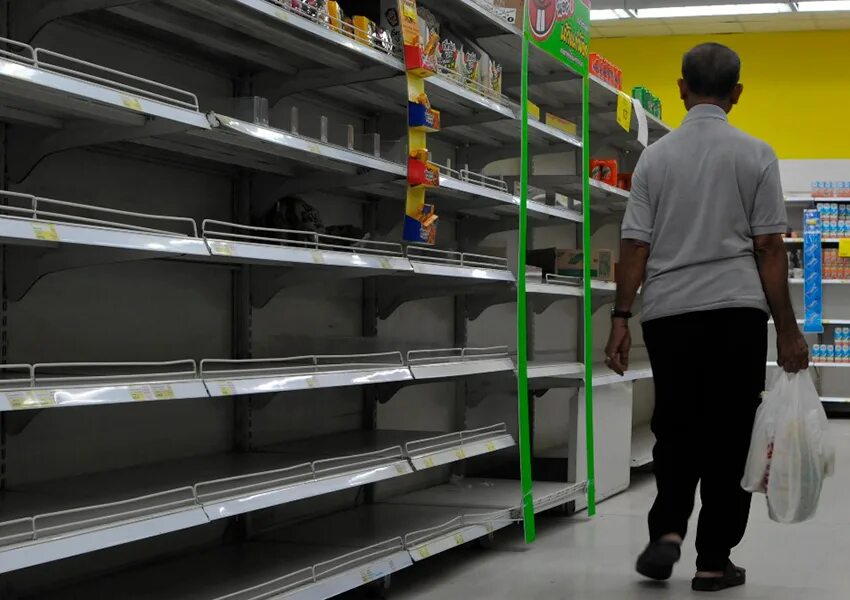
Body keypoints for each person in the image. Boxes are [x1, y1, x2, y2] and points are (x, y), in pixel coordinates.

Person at [604, 42, 809, 593]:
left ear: (680, 87)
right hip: (736, 314)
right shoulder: (757, 154)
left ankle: (668, 529)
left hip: (669, 314)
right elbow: (769, 248)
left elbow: (634, 243)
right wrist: (787, 329)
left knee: (674, 427)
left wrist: (621, 317)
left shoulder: (655, 158)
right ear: (737, 94)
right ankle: (713, 561)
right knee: (729, 435)